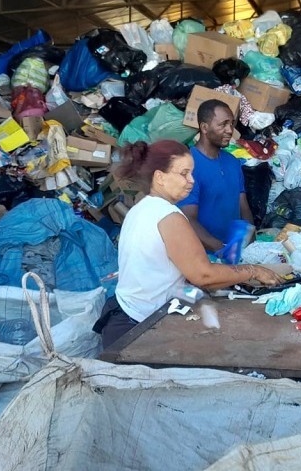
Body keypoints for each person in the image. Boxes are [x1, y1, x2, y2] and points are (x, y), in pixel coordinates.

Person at [95, 140, 282, 348]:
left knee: (207, 305)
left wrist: (200, 295)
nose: (191, 181)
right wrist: (252, 271)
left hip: (123, 316)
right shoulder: (169, 216)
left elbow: (163, 276)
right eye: (184, 173)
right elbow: (204, 275)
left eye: (192, 173)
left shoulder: (140, 209)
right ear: (160, 177)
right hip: (137, 331)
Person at [178, 100, 254, 253]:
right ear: (204, 127)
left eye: (231, 124)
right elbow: (187, 219)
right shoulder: (188, 165)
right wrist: (222, 251)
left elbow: (243, 205)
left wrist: (249, 242)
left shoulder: (233, 162)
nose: (230, 130)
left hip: (232, 253)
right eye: (223, 124)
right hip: (203, 256)